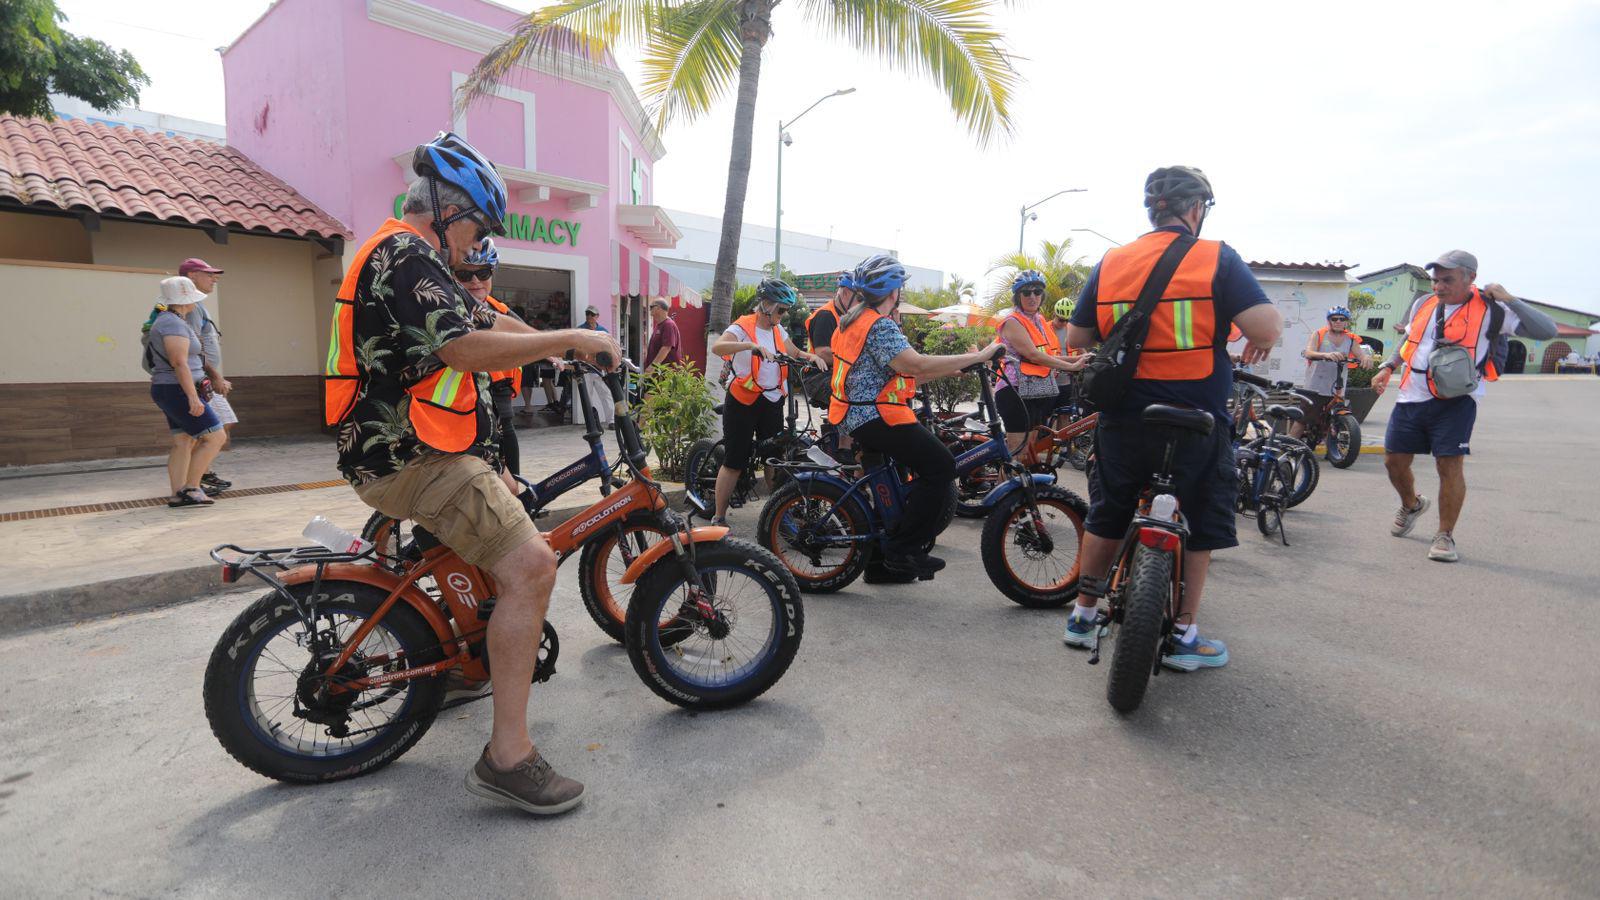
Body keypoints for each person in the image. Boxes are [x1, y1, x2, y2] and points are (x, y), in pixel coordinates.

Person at [324, 132, 618, 816]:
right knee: (532, 566)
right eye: (479, 227)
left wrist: (569, 346)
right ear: (448, 211)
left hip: (416, 448)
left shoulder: (415, 260)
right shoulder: (406, 255)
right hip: (409, 455)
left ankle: (461, 662)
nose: (479, 244)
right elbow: (463, 347)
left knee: (496, 545)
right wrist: (572, 337)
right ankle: (508, 757)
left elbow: (490, 318)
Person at [1064, 165, 1283, 669]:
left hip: (1124, 416)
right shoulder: (1216, 257)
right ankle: (1184, 636)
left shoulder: (1112, 261)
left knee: (1109, 511)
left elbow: (1076, 338)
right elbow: (1267, 328)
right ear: (1197, 209)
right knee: (1200, 518)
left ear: (1151, 211)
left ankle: (1082, 616)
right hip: (1196, 419)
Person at [1371, 250, 1556, 562]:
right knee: (1394, 462)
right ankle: (1412, 504)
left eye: (1447, 280)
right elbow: (1411, 341)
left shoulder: (1492, 309)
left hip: (1456, 400)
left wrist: (1510, 299)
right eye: (1436, 280)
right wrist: (1388, 365)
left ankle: (1445, 535)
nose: (1439, 286)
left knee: (1449, 466)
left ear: (1471, 278)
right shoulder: (1423, 303)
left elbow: (1547, 331)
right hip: (1411, 395)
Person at [829, 254, 1005, 579]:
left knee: (892, 484)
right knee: (941, 466)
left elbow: (905, 371)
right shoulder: (879, 325)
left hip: (857, 412)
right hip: (875, 414)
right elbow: (915, 364)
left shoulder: (856, 320)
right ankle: (904, 549)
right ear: (894, 291)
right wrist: (979, 355)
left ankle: (880, 565)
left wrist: (959, 367)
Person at [707, 278, 825, 525]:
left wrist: (811, 357)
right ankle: (718, 516)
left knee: (774, 457)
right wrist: (750, 345)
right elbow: (718, 347)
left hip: (772, 400)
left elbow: (794, 352)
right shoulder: (743, 326)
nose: (783, 315)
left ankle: (779, 513)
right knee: (734, 461)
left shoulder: (778, 330)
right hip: (743, 400)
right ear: (766, 306)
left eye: (785, 310)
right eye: (780, 310)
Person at [143, 276, 227, 507]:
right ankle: (191, 488)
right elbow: (179, 362)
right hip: (178, 389)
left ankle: (179, 493)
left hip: (170, 388)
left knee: (183, 440)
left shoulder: (171, 320)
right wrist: (192, 397)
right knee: (215, 437)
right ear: (185, 300)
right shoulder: (173, 323)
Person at [992, 270, 1089, 451]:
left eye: (1037, 292)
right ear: (1018, 296)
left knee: (1031, 450)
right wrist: (1072, 366)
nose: (1032, 297)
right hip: (1015, 390)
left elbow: (1048, 356)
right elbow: (1033, 355)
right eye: (1026, 292)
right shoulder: (1012, 321)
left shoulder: (1039, 320)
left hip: (1037, 390)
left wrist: (1080, 358)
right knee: (1018, 453)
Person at [454, 238, 525, 476]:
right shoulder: (450, 311)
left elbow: (529, 335)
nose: (475, 281)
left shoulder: (499, 309)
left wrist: (556, 353)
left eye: (483, 273)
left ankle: (516, 491)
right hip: (467, 400)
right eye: (465, 275)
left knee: (508, 441)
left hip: (500, 392)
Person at [174, 258, 235, 493]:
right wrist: (215, 377)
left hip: (203, 379)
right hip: (200, 380)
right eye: (208, 274)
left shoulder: (197, 306)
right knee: (208, 432)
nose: (214, 279)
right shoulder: (190, 309)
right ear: (192, 276)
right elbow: (192, 350)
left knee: (217, 428)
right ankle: (195, 482)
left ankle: (201, 475)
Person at [805, 269, 861, 458]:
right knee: (851, 391)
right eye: (859, 298)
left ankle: (853, 445)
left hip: (835, 373)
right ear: (845, 293)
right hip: (816, 376)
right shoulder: (826, 315)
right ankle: (844, 449)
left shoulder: (848, 317)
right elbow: (823, 353)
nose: (861, 304)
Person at [1291, 305, 1370, 439]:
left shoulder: (1351, 339)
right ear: (1329, 321)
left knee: (1334, 420)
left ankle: (1332, 447)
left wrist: (1366, 358)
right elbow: (1309, 352)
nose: (1338, 321)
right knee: (1303, 420)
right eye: (1334, 319)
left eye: (1342, 319)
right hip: (1315, 387)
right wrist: (1325, 355)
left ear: (1346, 322)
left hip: (1337, 389)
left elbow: (1361, 355)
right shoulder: (1319, 334)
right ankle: (1289, 444)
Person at [642, 298, 681, 376]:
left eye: (651, 307)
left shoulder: (668, 325)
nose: (649, 309)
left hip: (666, 375)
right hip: (658, 373)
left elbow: (666, 347)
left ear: (658, 308)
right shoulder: (659, 325)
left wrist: (652, 367)